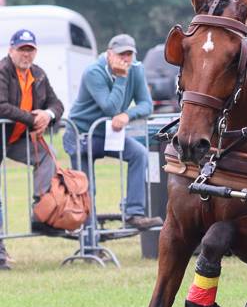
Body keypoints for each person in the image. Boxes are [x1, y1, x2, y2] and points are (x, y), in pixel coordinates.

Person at [63, 34, 161, 230]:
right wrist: (121, 77)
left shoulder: (136, 69)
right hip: (81, 135)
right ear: (109, 54)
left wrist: (127, 115)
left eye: (129, 54)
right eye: (120, 54)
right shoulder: (93, 72)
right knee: (86, 186)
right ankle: (89, 235)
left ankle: (133, 213)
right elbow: (110, 108)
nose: (125, 59)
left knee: (139, 154)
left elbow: (147, 104)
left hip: (108, 134)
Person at [0, 29, 65, 268]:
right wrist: (32, 119)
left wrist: (48, 115)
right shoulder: (2, 70)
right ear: (11, 50)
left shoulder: (38, 74)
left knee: (48, 155)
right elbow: (1, 106)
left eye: (30, 49)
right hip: (4, 135)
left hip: (16, 139)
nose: (26, 54)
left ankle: (40, 213)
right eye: (22, 49)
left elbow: (57, 104)